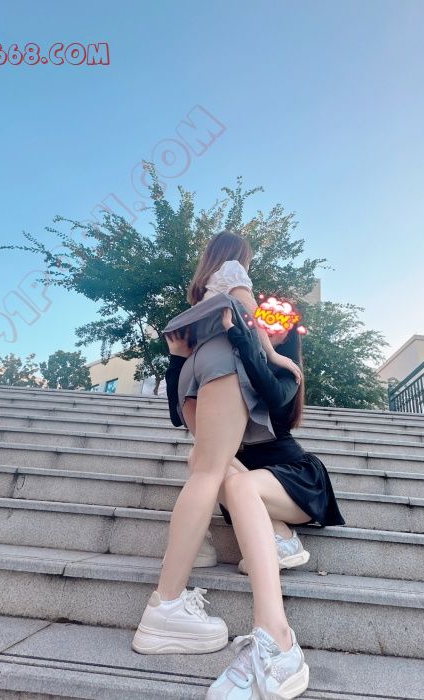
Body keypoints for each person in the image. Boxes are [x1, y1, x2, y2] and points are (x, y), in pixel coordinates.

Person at [132, 231, 302, 665]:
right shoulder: (233, 269)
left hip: (194, 367)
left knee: (206, 463)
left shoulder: (202, 289)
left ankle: (196, 556)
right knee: (210, 471)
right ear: (238, 255)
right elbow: (249, 316)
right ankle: (167, 603)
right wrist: (275, 356)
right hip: (226, 359)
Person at [164, 304, 345, 699]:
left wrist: (253, 340)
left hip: (295, 479)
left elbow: (273, 396)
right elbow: (183, 418)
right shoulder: (230, 371)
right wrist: (178, 359)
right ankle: (279, 535)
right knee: (201, 457)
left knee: (241, 486)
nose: (270, 325)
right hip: (251, 483)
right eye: (263, 319)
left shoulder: (286, 370)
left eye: (280, 323)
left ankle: (277, 640)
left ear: (290, 335)